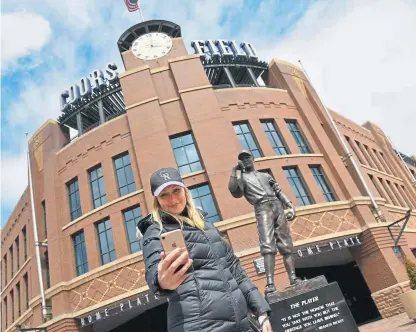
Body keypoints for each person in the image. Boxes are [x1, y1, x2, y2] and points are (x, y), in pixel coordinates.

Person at [137, 167, 273, 332]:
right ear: (156, 199)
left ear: (185, 191)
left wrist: (260, 310)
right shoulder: (155, 231)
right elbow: (153, 270)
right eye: (164, 194)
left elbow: (234, 269)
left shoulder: (207, 226)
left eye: (176, 190)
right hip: (199, 326)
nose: (172, 199)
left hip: (241, 324)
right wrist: (161, 282)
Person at [228, 150, 300, 295]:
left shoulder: (266, 175)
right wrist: (234, 170)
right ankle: (270, 283)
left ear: (253, 158)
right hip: (262, 208)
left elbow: (278, 192)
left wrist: (289, 205)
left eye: (247, 157)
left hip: (277, 206)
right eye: (242, 159)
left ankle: (293, 277)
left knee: (286, 243)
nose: (246, 160)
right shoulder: (242, 179)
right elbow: (234, 191)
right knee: (268, 245)